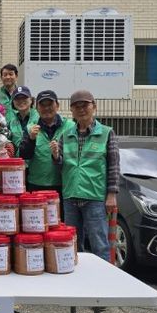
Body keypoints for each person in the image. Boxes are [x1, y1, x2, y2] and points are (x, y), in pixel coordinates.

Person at [51, 90, 119, 261]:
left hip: (95, 196)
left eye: (85, 105)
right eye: (76, 106)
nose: (81, 109)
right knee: (72, 243)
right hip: (70, 195)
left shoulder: (106, 133)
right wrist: (56, 156)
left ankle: (103, 275)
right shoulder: (66, 135)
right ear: (71, 110)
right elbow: (61, 166)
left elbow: (114, 166)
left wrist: (111, 195)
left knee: (99, 244)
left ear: (94, 107)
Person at [20, 90, 73, 199]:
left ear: (57, 105)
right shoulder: (30, 128)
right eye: (42, 105)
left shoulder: (70, 126)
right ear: (36, 108)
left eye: (50, 104)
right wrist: (31, 139)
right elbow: (24, 155)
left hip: (63, 184)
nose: (46, 108)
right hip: (36, 184)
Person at [6, 86, 39, 151]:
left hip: (36, 157)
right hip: (18, 157)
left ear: (31, 100)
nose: (21, 101)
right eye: (17, 98)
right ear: (13, 102)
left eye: (24, 98)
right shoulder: (11, 122)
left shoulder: (39, 117)